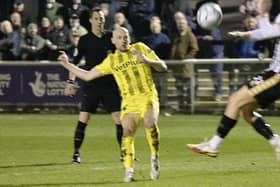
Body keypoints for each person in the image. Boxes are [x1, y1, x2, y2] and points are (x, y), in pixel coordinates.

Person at [59, 26, 167, 182]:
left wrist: (147, 60)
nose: (124, 40)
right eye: (120, 37)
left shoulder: (140, 48)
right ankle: (129, 170)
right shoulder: (112, 60)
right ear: (113, 41)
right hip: (130, 102)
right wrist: (67, 65)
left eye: (126, 37)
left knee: (150, 123)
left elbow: (163, 67)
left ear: (129, 38)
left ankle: (154, 157)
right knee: (127, 131)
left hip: (147, 96)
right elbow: (88, 76)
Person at [187, 0, 280, 168]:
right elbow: (267, 29)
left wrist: (246, 33)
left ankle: (213, 145)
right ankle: (276, 142)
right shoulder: (273, 16)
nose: (259, 2)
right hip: (273, 73)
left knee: (235, 100)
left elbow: (269, 32)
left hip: (278, 76)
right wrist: (261, 16)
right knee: (246, 110)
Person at [64, 7, 122, 164]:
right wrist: (70, 82)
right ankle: (76, 153)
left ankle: (125, 152)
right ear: (90, 20)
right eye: (96, 18)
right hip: (92, 84)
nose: (99, 21)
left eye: (101, 18)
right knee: (84, 118)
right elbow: (74, 63)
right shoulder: (84, 40)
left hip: (110, 84)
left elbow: (122, 56)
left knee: (118, 119)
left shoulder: (111, 37)